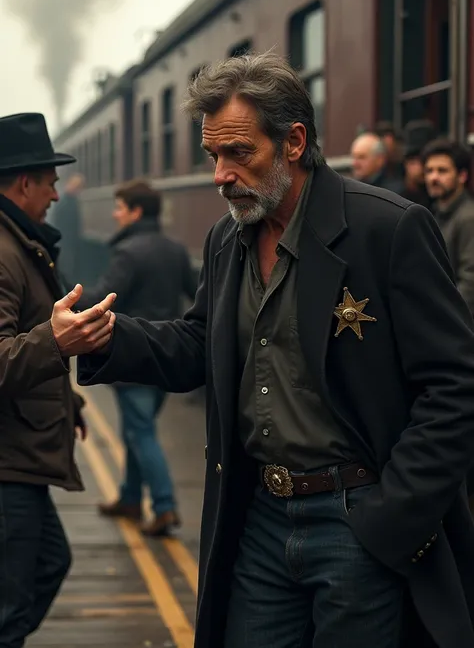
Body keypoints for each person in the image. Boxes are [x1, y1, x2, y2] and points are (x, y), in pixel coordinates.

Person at [56, 54, 474, 648]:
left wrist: (391, 517)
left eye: (238, 153)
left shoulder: (388, 230)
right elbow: (203, 341)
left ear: (294, 142)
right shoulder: (229, 238)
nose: (221, 175)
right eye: (213, 157)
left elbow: (455, 385)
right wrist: (109, 334)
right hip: (260, 518)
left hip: (358, 519)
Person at [0, 112, 115, 647]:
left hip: (18, 454)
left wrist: (68, 403)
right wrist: (60, 341)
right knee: (12, 599)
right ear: (24, 183)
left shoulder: (18, 240)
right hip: (6, 464)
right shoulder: (3, 253)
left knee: (46, 564)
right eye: (48, 182)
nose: (54, 194)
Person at [76, 179, 196, 535]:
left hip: (134, 358)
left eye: (120, 208)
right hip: (167, 356)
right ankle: (130, 498)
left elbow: (101, 298)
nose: (115, 214)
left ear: (136, 211)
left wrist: (66, 293)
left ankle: (164, 506)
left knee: (140, 432)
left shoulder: (129, 253)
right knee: (134, 430)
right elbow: (196, 295)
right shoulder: (174, 249)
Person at [423, 138, 474, 316]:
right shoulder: (434, 213)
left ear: (462, 176)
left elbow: (470, 282)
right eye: (429, 171)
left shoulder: (468, 217)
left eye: (442, 171)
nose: (433, 177)